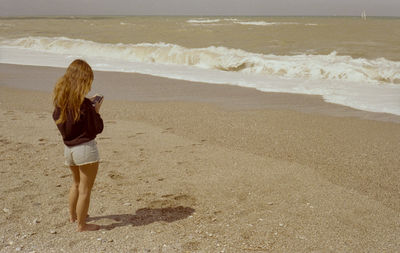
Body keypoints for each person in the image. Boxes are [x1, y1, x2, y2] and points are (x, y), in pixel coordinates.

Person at [52, 59, 104, 232]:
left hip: (69, 149)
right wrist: (96, 111)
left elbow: (68, 121)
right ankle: (82, 225)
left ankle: (73, 216)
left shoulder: (62, 101)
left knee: (75, 184)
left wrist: (87, 104)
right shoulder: (84, 106)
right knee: (85, 189)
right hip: (85, 150)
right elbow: (97, 128)